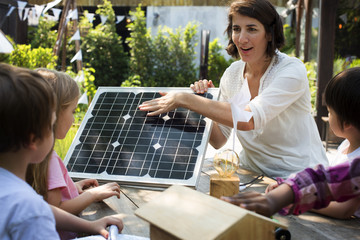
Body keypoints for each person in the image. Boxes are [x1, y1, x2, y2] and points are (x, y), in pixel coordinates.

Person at [138, 0, 327, 178]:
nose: (242, 38)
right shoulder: (232, 74)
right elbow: (219, 140)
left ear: (269, 34)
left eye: (252, 29)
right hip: (252, 173)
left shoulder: (291, 70)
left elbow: (248, 119)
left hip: (301, 178)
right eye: (236, 29)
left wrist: (186, 99)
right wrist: (206, 102)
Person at [0, 63, 123, 239]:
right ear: (33, 138)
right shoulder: (32, 215)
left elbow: (44, 207)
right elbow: (43, 209)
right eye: (50, 125)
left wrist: (73, 191)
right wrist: (91, 197)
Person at [221, 67, 360, 218]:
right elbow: (330, 183)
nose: (328, 115)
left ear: (346, 124)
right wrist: (287, 188)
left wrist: (293, 199)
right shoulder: (347, 145)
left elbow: (343, 209)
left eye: (330, 112)